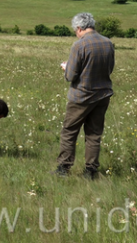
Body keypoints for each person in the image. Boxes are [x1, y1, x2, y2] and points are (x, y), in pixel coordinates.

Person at [55, 12, 115, 180]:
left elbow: (71, 76)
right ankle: (91, 171)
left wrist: (65, 67)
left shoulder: (79, 45)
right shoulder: (108, 43)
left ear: (79, 28)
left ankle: (63, 168)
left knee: (69, 132)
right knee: (94, 134)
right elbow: (109, 69)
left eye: (76, 31)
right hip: (103, 95)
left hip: (81, 96)